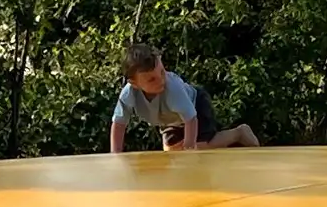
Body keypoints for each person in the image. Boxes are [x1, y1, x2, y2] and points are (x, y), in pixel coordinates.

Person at [109, 44, 259, 153]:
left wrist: (189, 148)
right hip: (172, 120)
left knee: (199, 147)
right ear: (134, 84)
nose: (161, 80)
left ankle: (239, 133)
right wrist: (115, 155)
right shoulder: (129, 94)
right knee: (171, 153)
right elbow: (119, 124)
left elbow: (191, 119)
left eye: (162, 72)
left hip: (196, 105)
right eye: (151, 80)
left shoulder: (172, 88)